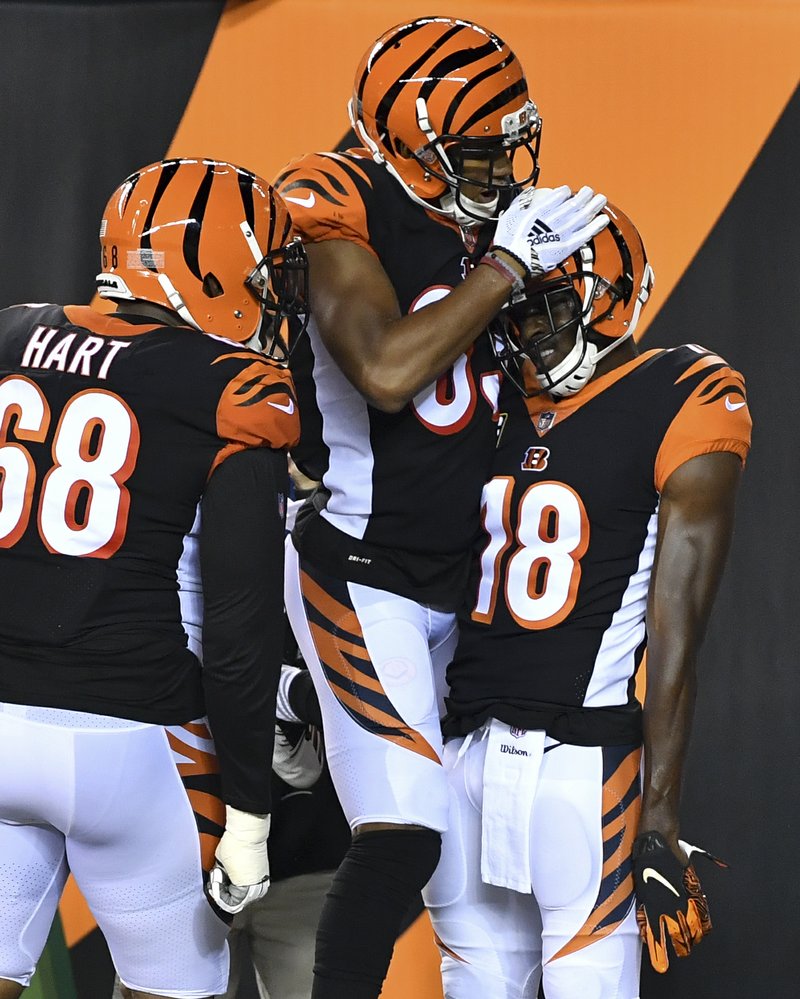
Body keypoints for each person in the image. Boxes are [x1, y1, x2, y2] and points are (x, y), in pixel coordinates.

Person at [276, 15, 609, 998]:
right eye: (474, 152)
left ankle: (292, 706)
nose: (501, 171)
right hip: (361, 570)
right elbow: (383, 369)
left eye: (507, 145)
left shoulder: (488, 214)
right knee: (403, 836)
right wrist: (504, 268)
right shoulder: (332, 193)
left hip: (471, 581)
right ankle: (293, 697)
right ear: (400, 140)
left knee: (485, 900)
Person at [422, 204, 752, 997]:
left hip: (574, 764)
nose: (532, 335)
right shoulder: (505, 406)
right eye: (520, 313)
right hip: (477, 757)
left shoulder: (676, 389)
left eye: (553, 308)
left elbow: (676, 634)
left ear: (610, 294)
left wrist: (661, 821)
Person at [0, 157, 307, 999]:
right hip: (133, 746)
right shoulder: (235, 388)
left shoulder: (8, 334)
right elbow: (240, 629)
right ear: (211, 270)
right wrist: (249, 808)